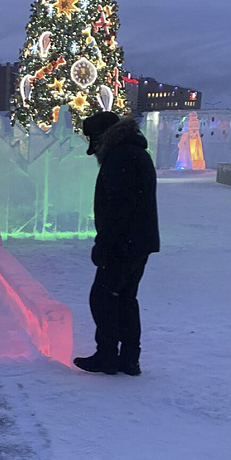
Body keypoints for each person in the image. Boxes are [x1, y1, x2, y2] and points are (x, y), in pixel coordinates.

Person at [73, 112, 160, 376]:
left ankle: (108, 355)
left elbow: (118, 207)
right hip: (139, 241)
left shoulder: (120, 157)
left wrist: (104, 244)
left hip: (125, 242)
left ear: (102, 135)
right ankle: (129, 358)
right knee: (124, 298)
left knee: (103, 298)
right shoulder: (134, 152)